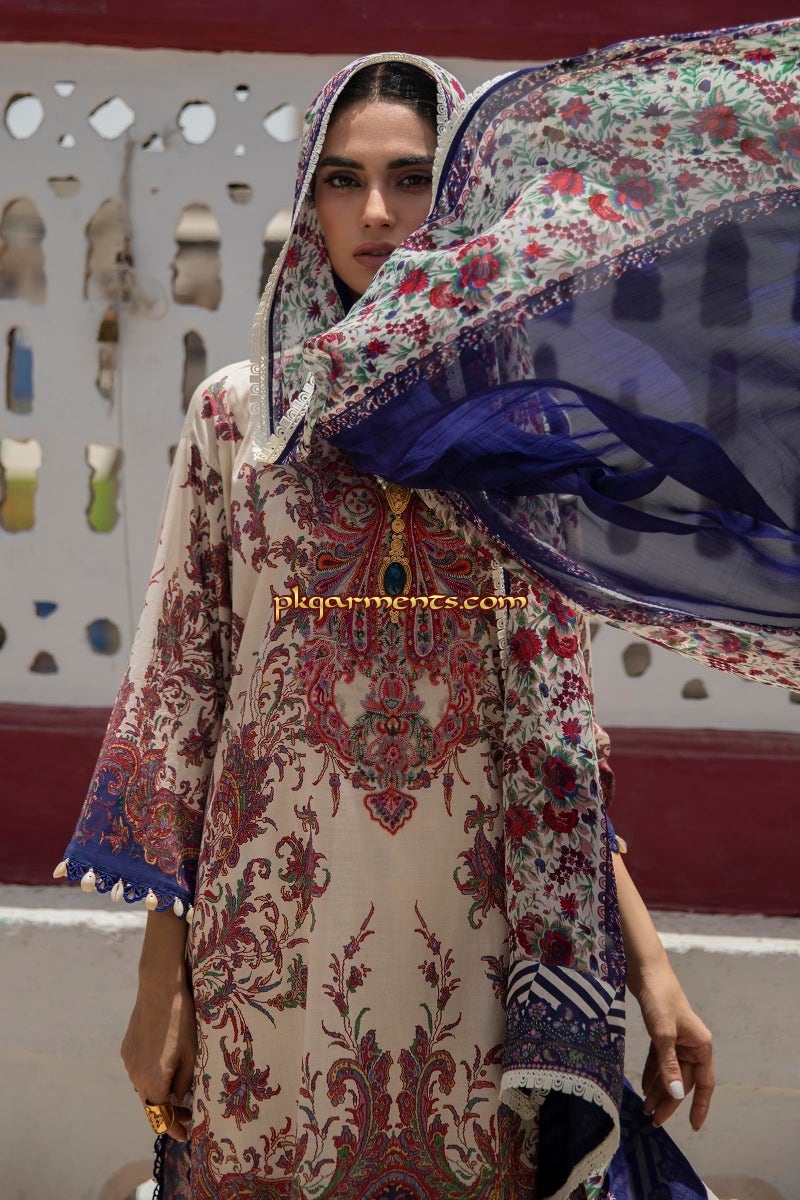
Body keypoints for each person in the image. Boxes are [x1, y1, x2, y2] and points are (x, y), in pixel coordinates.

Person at [57, 37, 799, 1199]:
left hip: (474, 957)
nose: (376, 212)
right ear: (308, 202)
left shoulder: (518, 431)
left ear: (456, 200)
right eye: (343, 181)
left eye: (410, 179)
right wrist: (161, 985)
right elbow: (178, 701)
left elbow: (553, 743)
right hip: (269, 947)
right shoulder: (242, 420)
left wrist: (647, 967)